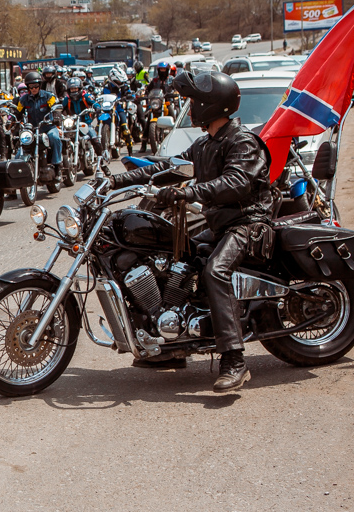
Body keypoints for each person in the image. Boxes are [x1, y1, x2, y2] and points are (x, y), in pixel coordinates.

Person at [110, 71, 273, 393]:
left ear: (210, 105)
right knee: (173, 262)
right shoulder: (205, 144)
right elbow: (167, 167)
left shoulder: (243, 140)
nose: (191, 107)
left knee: (215, 272)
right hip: (219, 225)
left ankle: (235, 360)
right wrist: (116, 180)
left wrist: (190, 193)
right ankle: (173, 345)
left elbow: (238, 182)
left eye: (193, 102)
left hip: (247, 223)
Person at [17, 70, 62, 171]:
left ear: (40, 85)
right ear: (28, 87)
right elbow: (17, 112)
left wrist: (56, 118)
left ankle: (57, 164)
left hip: (47, 127)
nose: (33, 89)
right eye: (31, 87)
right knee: (21, 145)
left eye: (36, 86)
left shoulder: (48, 96)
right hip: (32, 129)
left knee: (54, 137)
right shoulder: (23, 99)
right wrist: (12, 120)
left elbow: (55, 108)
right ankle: (18, 170)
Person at [61, 78, 103, 155]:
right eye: (72, 89)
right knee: (62, 138)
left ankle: (101, 161)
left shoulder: (86, 96)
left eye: (75, 88)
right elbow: (61, 107)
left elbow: (94, 102)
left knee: (95, 139)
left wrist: (97, 107)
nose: (74, 91)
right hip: (73, 124)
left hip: (86, 123)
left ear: (79, 88)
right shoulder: (67, 99)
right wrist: (56, 113)